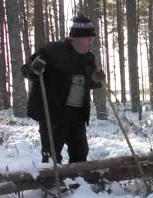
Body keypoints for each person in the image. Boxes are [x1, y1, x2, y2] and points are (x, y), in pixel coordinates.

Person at [22, 14, 105, 164]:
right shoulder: (52, 51)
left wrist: (95, 79)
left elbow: (87, 83)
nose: (91, 43)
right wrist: (34, 69)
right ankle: (54, 185)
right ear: (77, 38)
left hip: (77, 115)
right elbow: (26, 70)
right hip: (53, 115)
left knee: (80, 154)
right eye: (89, 39)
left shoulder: (89, 58)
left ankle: (79, 184)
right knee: (52, 156)